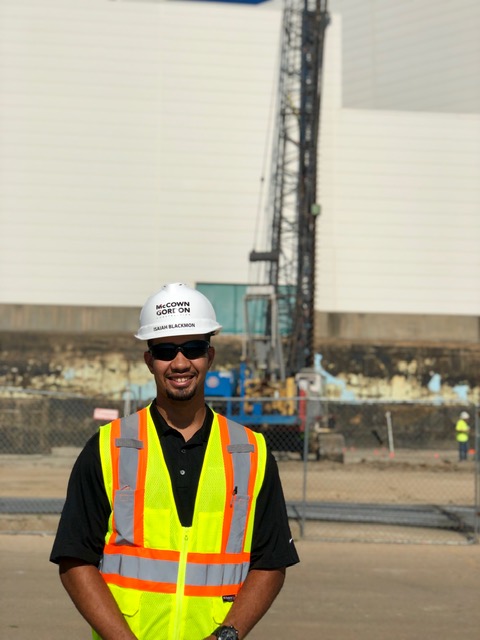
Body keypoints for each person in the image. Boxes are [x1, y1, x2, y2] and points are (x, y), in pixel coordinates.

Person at [50, 282, 299, 640]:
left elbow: (271, 562)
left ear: (209, 356)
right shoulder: (108, 448)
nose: (180, 363)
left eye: (193, 348)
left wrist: (225, 636)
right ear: (149, 359)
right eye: (166, 350)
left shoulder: (252, 452)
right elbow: (75, 559)